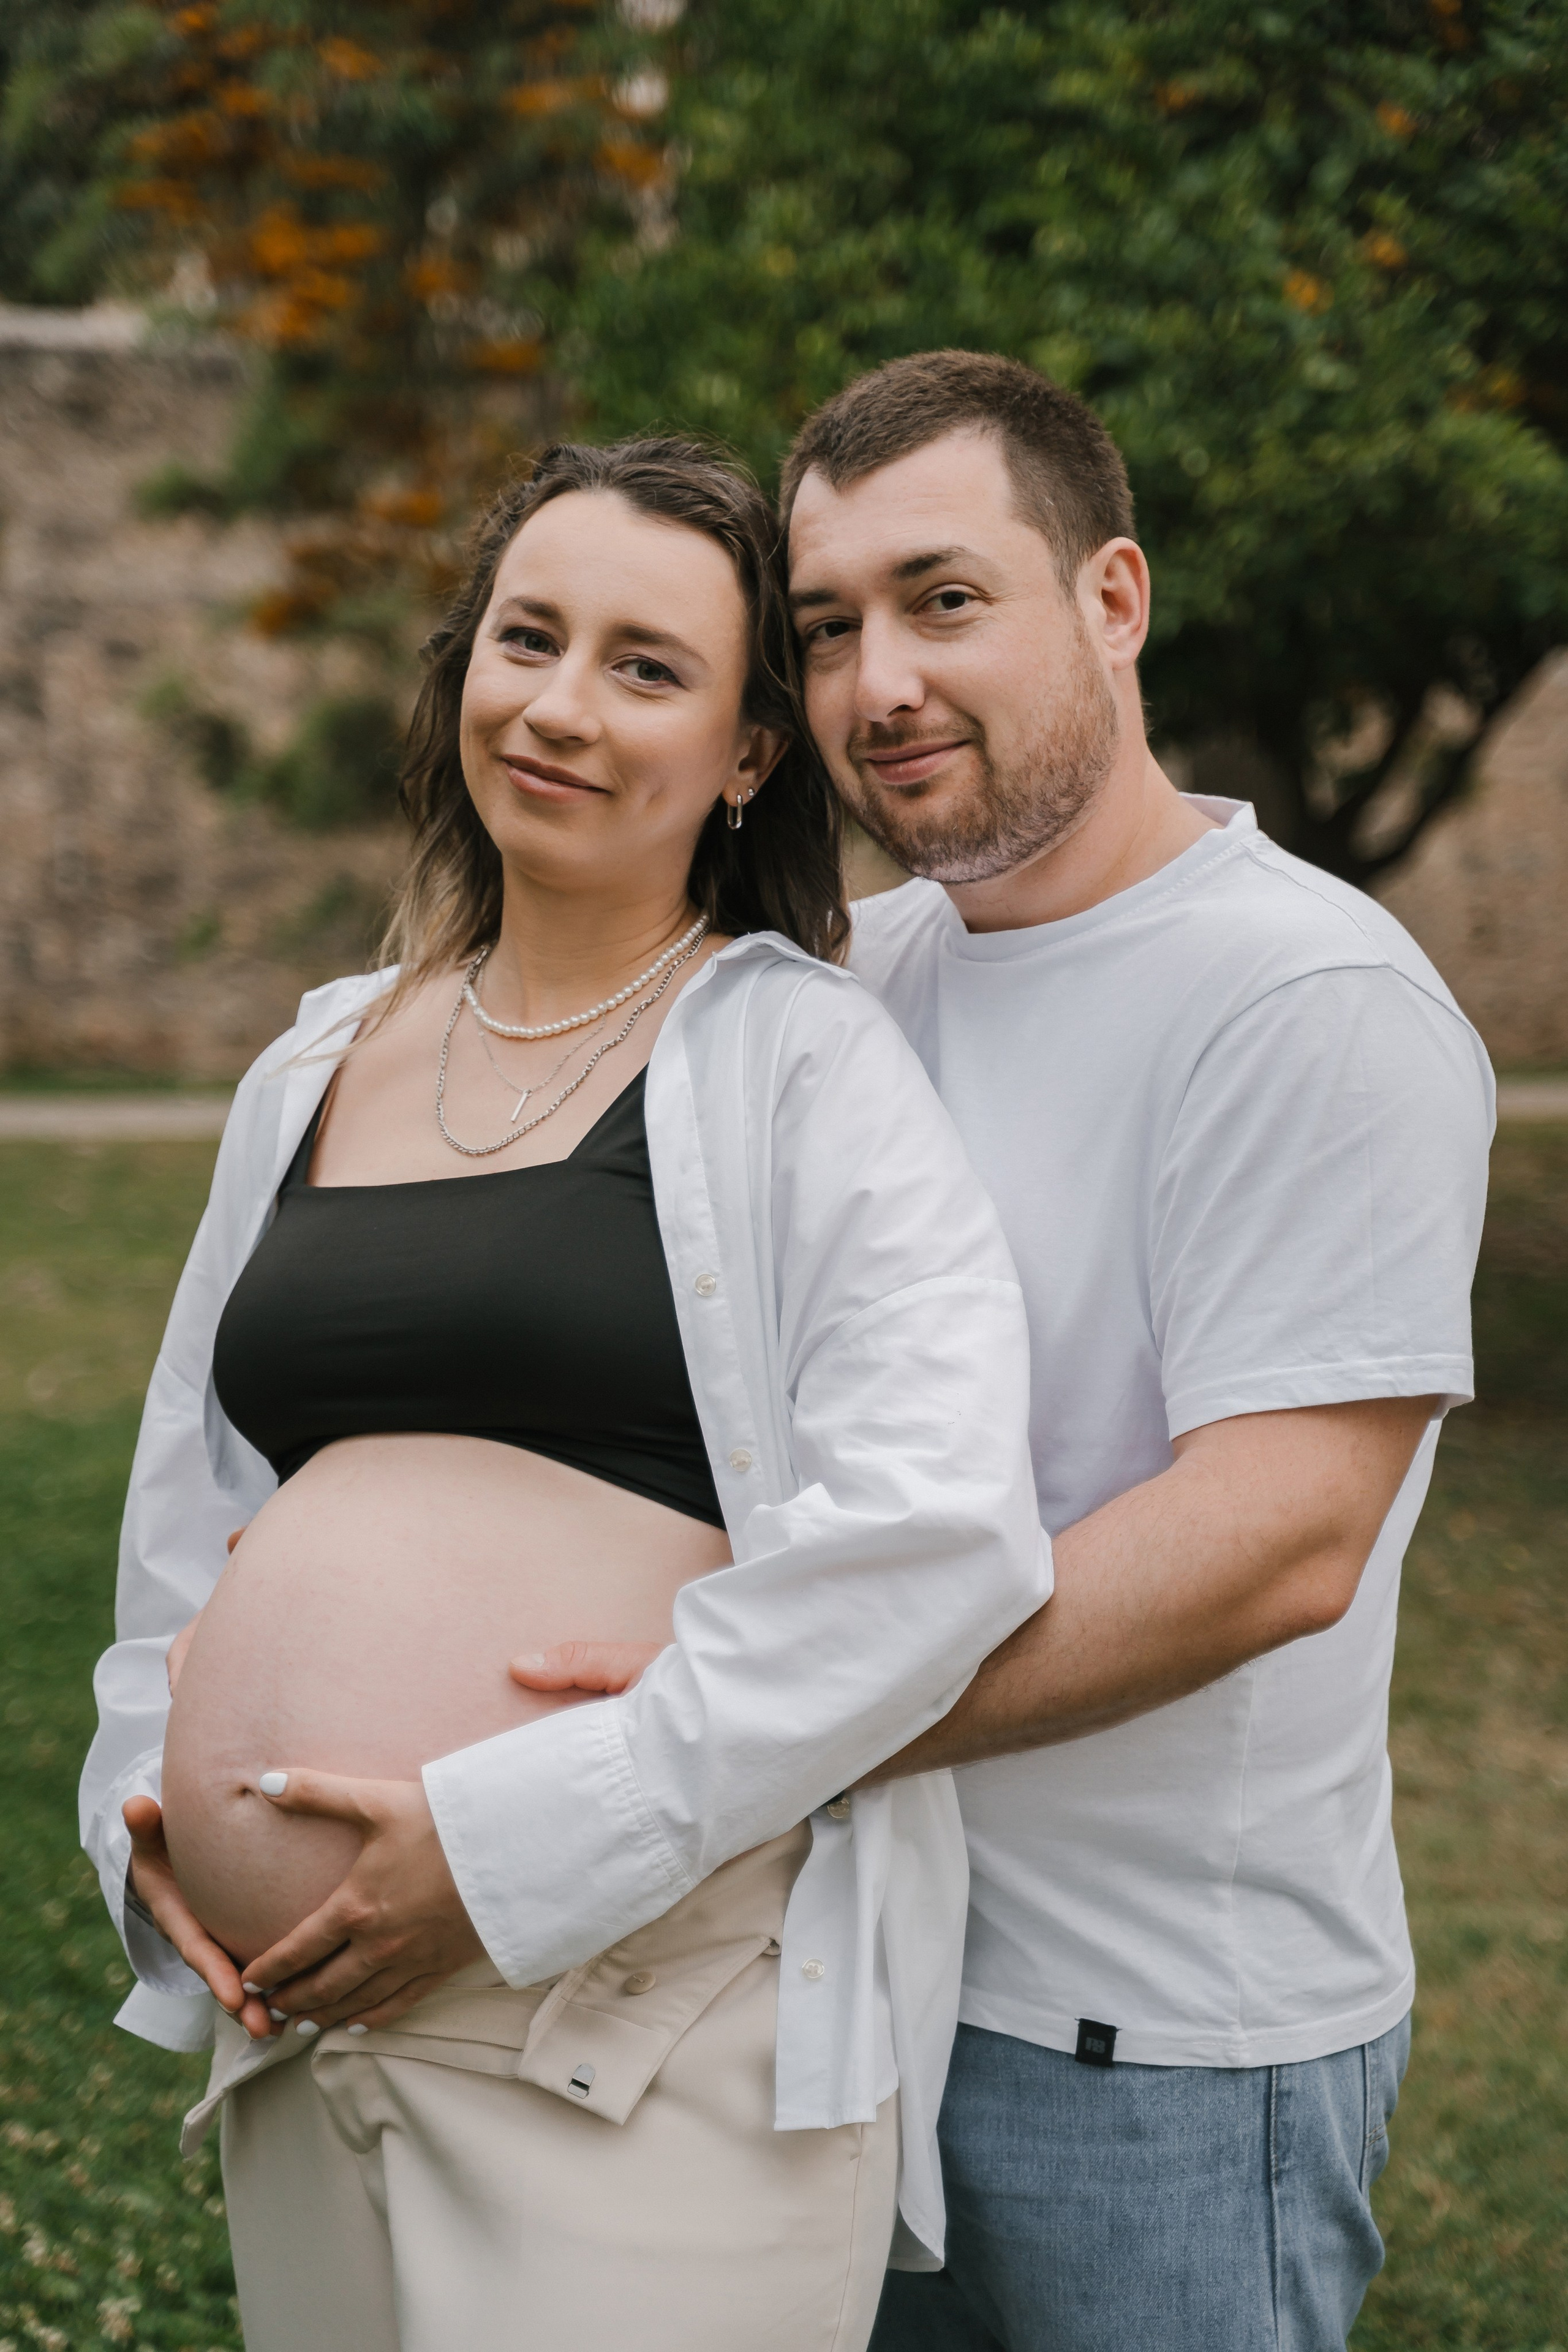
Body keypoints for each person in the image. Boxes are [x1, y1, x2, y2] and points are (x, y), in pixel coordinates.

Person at [529, 354, 1494, 2350]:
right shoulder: (844, 982)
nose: (878, 682)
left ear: (1114, 600)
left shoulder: (1307, 997)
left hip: (1150, 2048)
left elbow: (1277, 1538)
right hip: (843, 1980)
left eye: (944, 599)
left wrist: (732, 1735)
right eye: (825, 627)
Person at [77, 435, 1051, 2352]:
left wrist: (514, 1853)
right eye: (531, 639)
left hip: (645, 2029)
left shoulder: (799, 1065)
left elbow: (933, 1545)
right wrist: (151, 1811)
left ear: (750, 751)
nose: (562, 708)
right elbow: (180, 1523)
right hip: (306, 2027)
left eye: (646, 667)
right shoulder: (316, 1064)